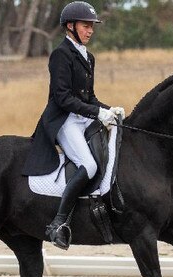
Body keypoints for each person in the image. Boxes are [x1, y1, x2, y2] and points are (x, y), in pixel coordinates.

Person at [22, 1, 125, 250]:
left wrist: (108, 110)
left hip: (82, 116)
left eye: (92, 27)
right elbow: (63, 98)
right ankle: (58, 223)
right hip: (64, 120)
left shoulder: (88, 57)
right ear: (70, 26)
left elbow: (88, 97)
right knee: (88, 165)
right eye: (85, 26)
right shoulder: (60, 55)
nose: (90, 31)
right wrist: (97, 113)